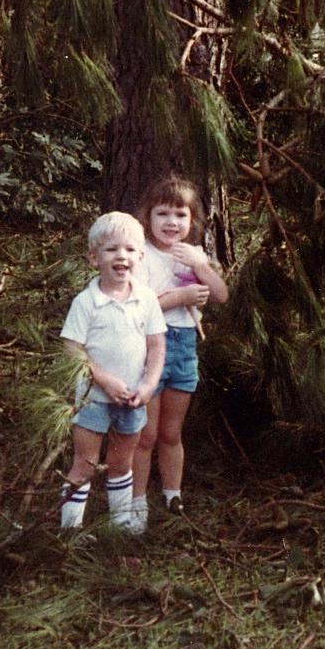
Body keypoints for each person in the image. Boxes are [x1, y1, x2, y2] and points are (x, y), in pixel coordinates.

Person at [58, 211, 166, 534]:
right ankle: (70, 531)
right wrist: (103, 379)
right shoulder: (86, 302)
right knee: (86, 464)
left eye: (130, 250)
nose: (122, 256)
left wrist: (147, 386)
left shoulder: (146, 299)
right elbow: (72, 349)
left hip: (133, 398)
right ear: (94, 258)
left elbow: (157, 347)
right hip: (93, 398)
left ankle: (121, 525)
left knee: (121, 463)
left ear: (141, 256)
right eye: (111, 250)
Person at [131, 176, 229, 528]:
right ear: (148, 217)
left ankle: (173, 496)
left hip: (185, 346)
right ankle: (136, 501)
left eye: (180, 214)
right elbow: (137, 308)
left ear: (192, 220)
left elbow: (220, 296)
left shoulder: (194, 254)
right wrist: (180, 298)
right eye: (163, 214)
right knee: (146, 434)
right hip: (151, 345)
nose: (171, 222)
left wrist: (201, 267)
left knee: (172, 433)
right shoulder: (140, 254)